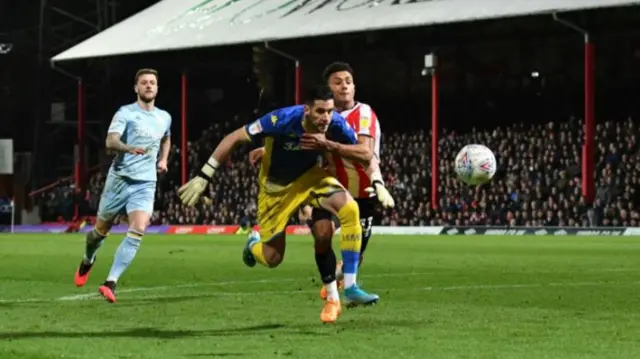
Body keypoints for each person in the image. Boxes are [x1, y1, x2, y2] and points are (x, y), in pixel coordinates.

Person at [178, 85, 378, 323]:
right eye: (320, 112)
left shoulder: (335, 123)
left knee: (349, 209)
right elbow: (233, 137)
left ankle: (345, 290)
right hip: (275, 189)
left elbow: (363, 153)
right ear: (306, 110)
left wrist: (376, 180)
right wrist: (204, 176)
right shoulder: (281, 119)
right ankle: (253, 244)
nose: (326, 118)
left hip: (310, 178)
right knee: (272, 258)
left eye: (330, 111)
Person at [248, 62, 394, 303]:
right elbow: (295, 140)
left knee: (354, 256)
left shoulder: (363, 114)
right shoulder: (320, 117)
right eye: (337, 83)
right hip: (327, 186)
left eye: (348, 81)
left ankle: (343, 284)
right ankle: (335, 295)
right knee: (323, 235)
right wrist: (268, 149)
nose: (344, 86)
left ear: (355, 87)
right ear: (327, 91)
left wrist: (378, 182)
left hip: (362, 192)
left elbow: (367, 154)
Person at [73, 68, 172, 303]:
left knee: (138, 229)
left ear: (157, 88)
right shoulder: (125, 113)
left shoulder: (164, 117)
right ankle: (88, 260)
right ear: (136, 88)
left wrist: (164, 159)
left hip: (145, 183)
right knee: (98, 233)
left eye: (152, 83)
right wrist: (128, 148)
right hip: (119, 180)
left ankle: (111, 282)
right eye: (144, 83)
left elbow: (167, 136)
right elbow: (110, 141)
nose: (149, 86)